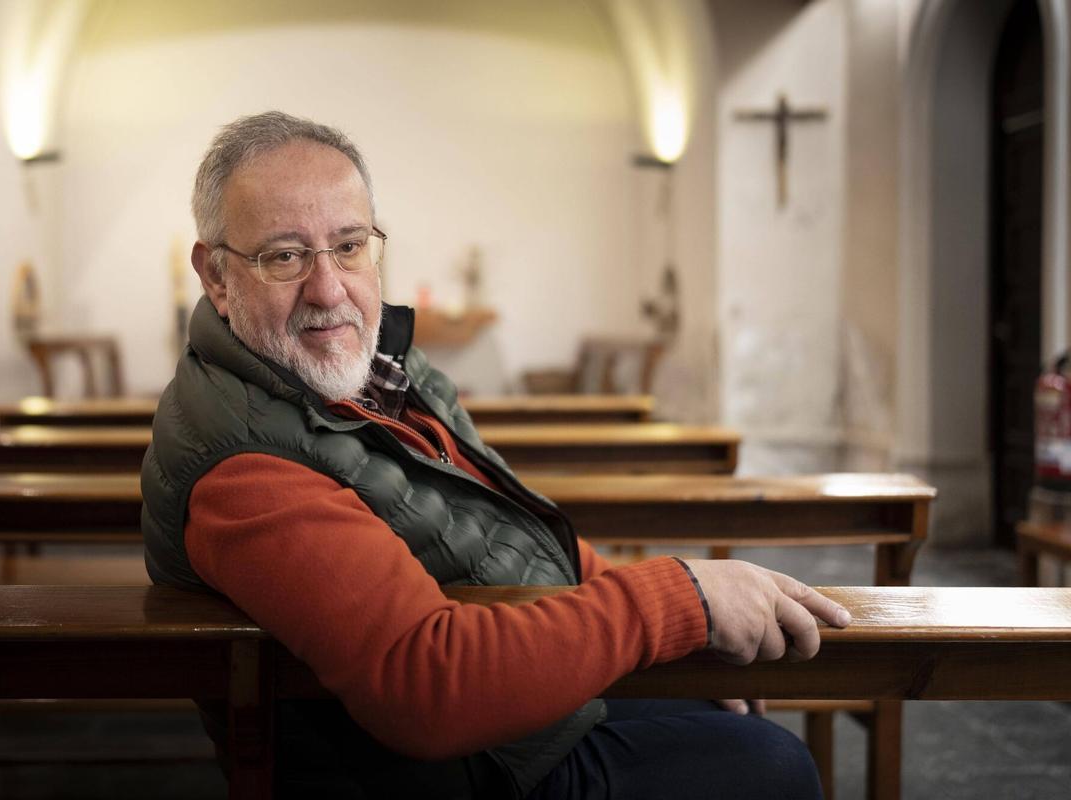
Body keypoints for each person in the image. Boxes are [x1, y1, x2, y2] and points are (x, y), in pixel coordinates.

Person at [141, 110, 852, 800]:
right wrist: (676, 601)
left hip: (506, 727)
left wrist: (681, 629)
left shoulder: (379, 374)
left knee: (729, 715)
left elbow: (506, 534)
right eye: (285, 256)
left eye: (350, 245)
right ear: (217, 278)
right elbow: (424, 688)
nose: (329, 289)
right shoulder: (244, 467)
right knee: (769, 765)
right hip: (446, 767)